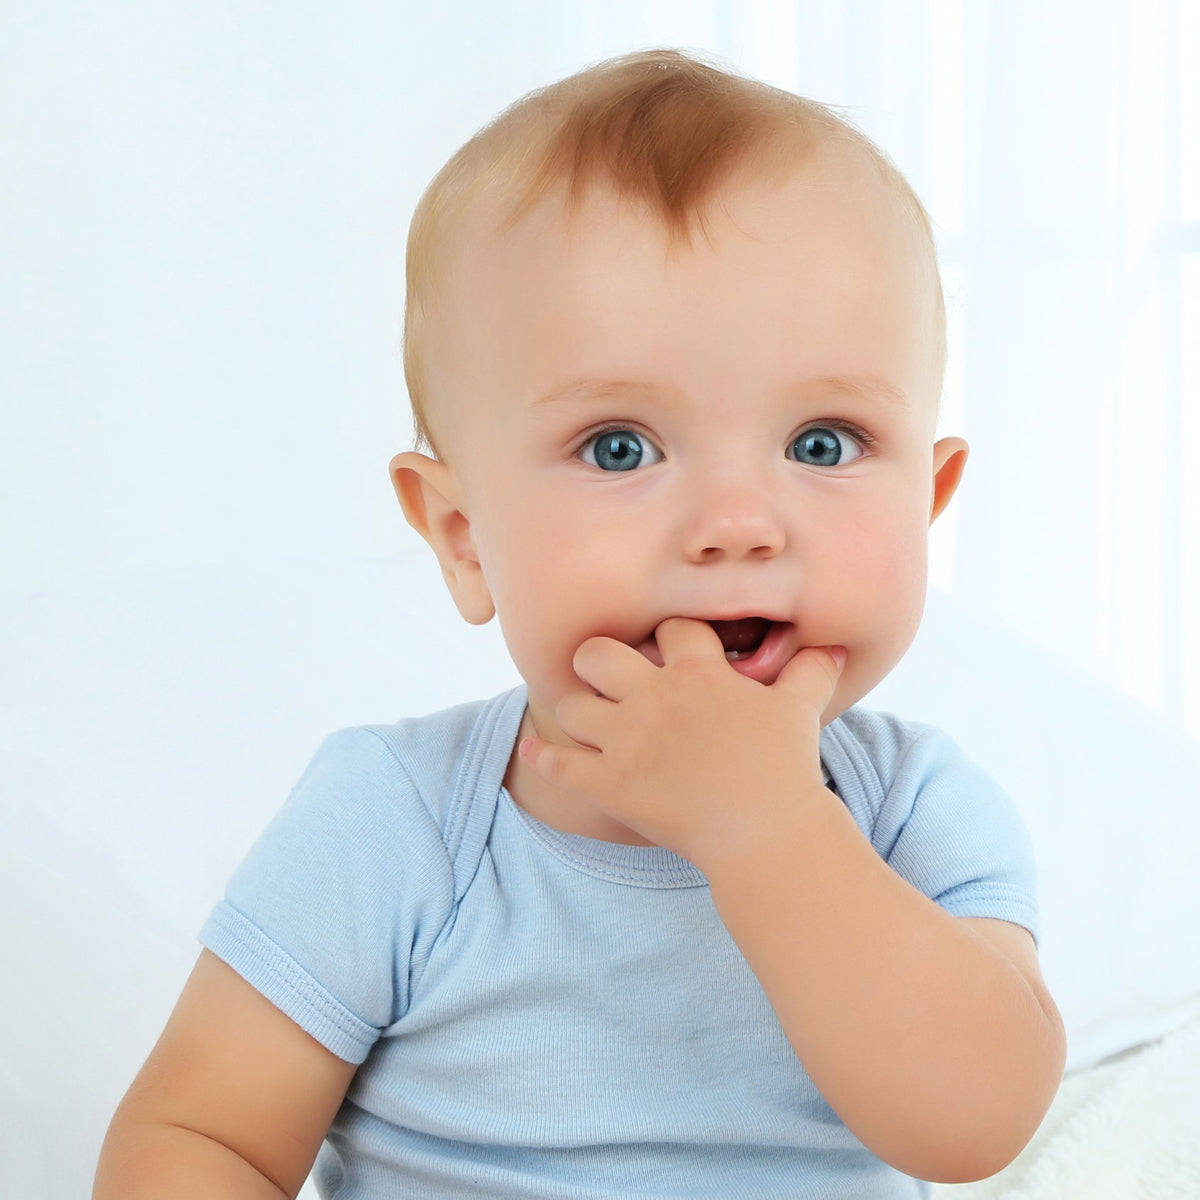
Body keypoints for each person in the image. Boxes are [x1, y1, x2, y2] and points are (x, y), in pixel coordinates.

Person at [94, 48, 1066, 1200]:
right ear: (463, 536)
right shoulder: (398, 823)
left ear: (929, 502)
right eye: (620, 447)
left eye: (823, 444)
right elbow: (203, 1137)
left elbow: (974, 1126)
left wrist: (766, 825)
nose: (736, 526)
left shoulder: (912, 815)